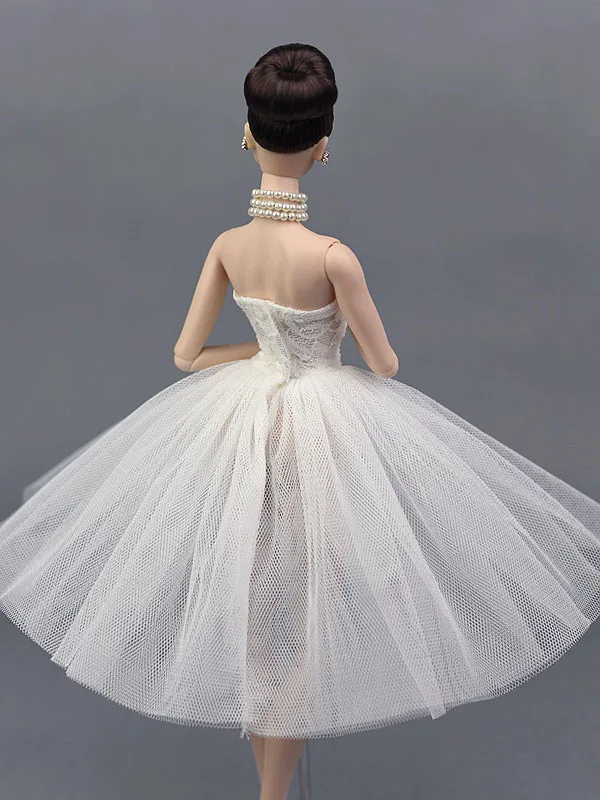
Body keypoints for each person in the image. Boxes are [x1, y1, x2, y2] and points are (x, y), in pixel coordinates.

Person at [2, 42, 600, 800]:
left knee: (260, 620)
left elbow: (187, 356)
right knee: (302, 626)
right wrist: (313, 348)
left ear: (247, 134)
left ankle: (273, 788)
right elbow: (384, 365)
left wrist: (261, 349)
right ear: (324, 146)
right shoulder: (333, 257)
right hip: (319, 433)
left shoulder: (229, 246)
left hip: (239, 428)